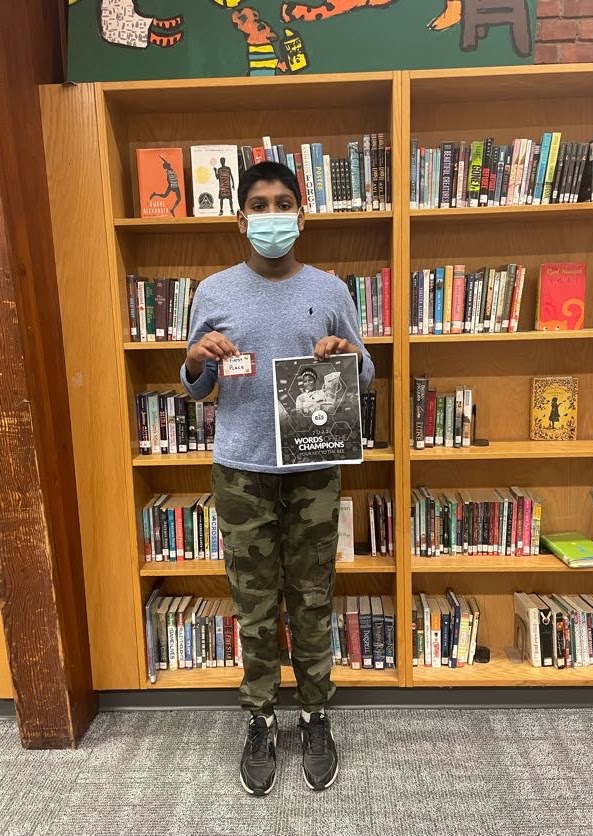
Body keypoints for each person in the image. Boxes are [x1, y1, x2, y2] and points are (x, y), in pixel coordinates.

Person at [180, 161, 374, 796]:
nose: (271, 214)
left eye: (282, 202)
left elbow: (365, 372)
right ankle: (260, 717)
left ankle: (316, 715)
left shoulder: (330, 289)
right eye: (259, 204)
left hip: (314, 468)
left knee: (313, 597)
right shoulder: (212, 292)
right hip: (242, 470)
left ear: (301, 211)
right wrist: (192, 361)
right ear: (241, 218)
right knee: (255, 604)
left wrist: (347, 356)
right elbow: (198, 389)